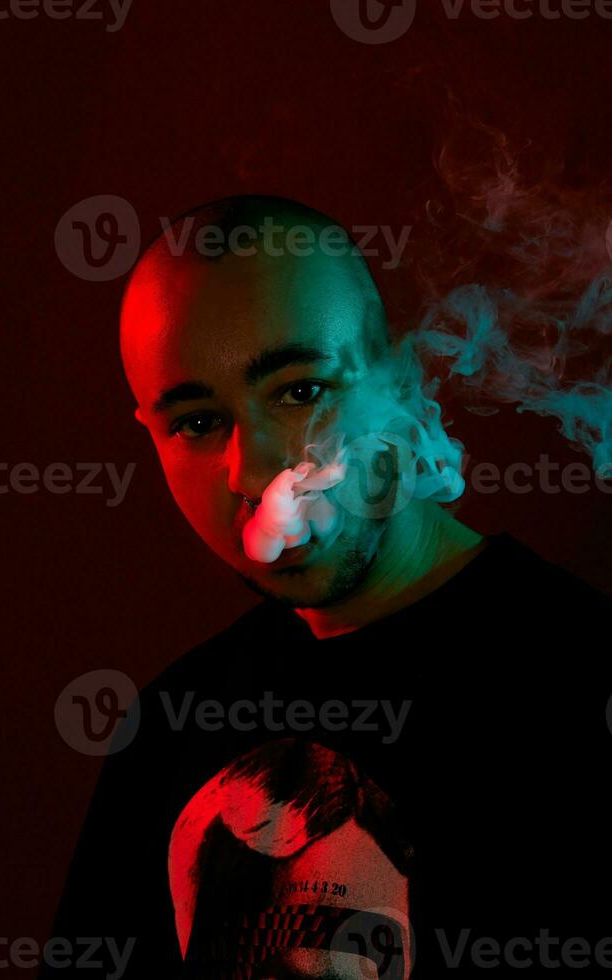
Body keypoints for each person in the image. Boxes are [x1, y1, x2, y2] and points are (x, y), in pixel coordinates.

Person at [41, 196, 611, 979]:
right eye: (199, 423)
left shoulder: (583, 682)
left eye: (301, 390)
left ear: (400, 381)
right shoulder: (169, 729)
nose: (251, 470)